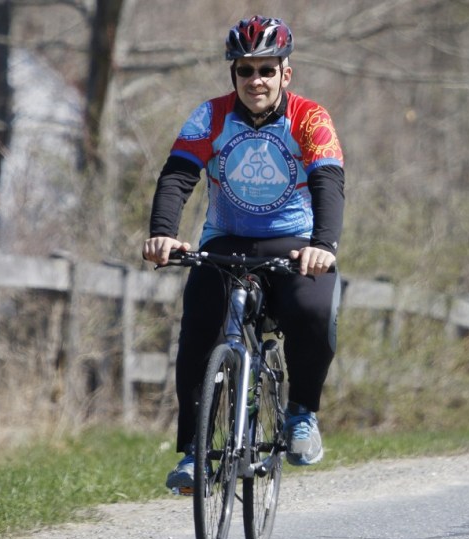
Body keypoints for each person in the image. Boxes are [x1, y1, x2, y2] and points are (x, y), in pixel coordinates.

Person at [142, 15, 345, 491]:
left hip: (294, 244)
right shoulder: (210, 116)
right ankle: (194, 452)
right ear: (233, 74)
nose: (256, 80)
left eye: (267, 70)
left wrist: (323, 247)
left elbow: (328, 182)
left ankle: (301, 414)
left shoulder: (309, 117)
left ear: (285, 74)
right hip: (225, 241)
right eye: (246, 70)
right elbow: (177, 176)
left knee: (313, 311)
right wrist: (163, 234)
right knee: (198, 329)